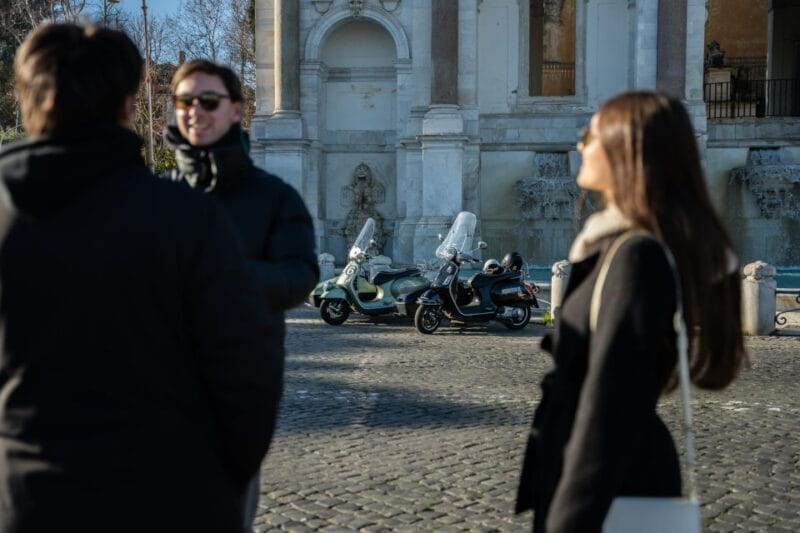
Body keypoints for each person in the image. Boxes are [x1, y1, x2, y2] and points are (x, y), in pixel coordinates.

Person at [0, 23, 283, 533]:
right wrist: (218, 485)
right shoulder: (189, 218)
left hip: (28, 501)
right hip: (175, 499)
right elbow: (249, 377)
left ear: (25, 101)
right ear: (129, 106)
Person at [515, 91, 747, 532]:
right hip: (606, 472)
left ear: (627, 149)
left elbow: (609, 405)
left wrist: (568, 521)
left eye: (591, 135)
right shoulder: (617, 247)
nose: (580, 145)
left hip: (614, 482)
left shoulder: (637, 256)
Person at [163, 59, 319, 527]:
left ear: (235, 110)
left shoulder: (275, 197)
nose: (195, 111)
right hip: (158, 393)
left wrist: (223, 277)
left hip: (236, 393)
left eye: (208, 101)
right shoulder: (157, 196)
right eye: (184, 101)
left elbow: (301, 276)